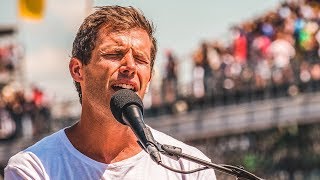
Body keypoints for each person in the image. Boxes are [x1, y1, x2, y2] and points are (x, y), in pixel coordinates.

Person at [4, 6, 217, 179]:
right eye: (115, 54)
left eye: (141, 60)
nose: (130, 66)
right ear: (78, 70)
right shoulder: (33, 168)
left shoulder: (190, 168)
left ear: (149, 77)